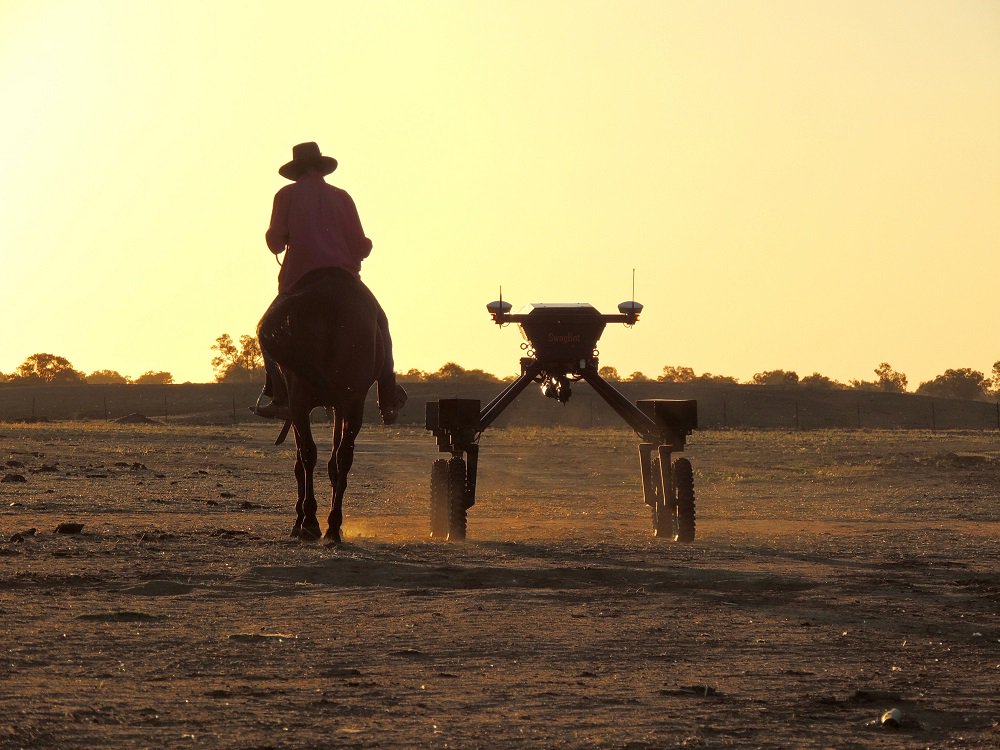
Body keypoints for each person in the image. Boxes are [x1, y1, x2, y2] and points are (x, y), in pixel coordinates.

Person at [253, 141, 405, 423]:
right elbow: (360, 246)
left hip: (300, 279)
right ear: (321, 166)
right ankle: (388, 398)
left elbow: (275, 242)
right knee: (381, 324)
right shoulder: (342, 196)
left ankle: (279, 394)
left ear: (296, 170)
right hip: (344, 280)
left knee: (265, 329)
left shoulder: (285, 195)